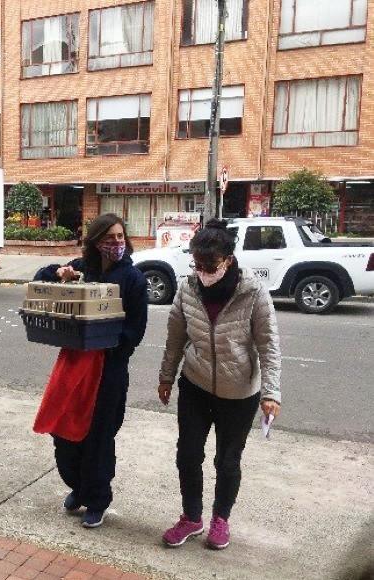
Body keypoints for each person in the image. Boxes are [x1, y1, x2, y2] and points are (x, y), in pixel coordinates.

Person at [157, 219, 281, 550]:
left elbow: (268, 345)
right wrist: (166, 376)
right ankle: (191, 517)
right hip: (195, 384)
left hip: (238, 392)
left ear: (227, 260)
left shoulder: (252, 292)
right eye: (196, 264)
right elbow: (175, 338)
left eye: (209, 265)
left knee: (227, 460)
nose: (202, 271)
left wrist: (271, 393)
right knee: (187, 454)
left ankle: (220, 518)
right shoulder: (188, 288)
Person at [34, 213, 148, 528]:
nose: (116, 243)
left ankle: (97, 498)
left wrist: (103, 342)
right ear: (96, 242)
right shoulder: (85, 269)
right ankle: (78, 487)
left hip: (107, 370)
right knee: (63, 430)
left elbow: (134, 331)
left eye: (120, 237)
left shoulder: (133, 279)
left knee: (98, 436)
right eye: (109, 238)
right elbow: (42, 279)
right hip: (72, 365)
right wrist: (60, 273)